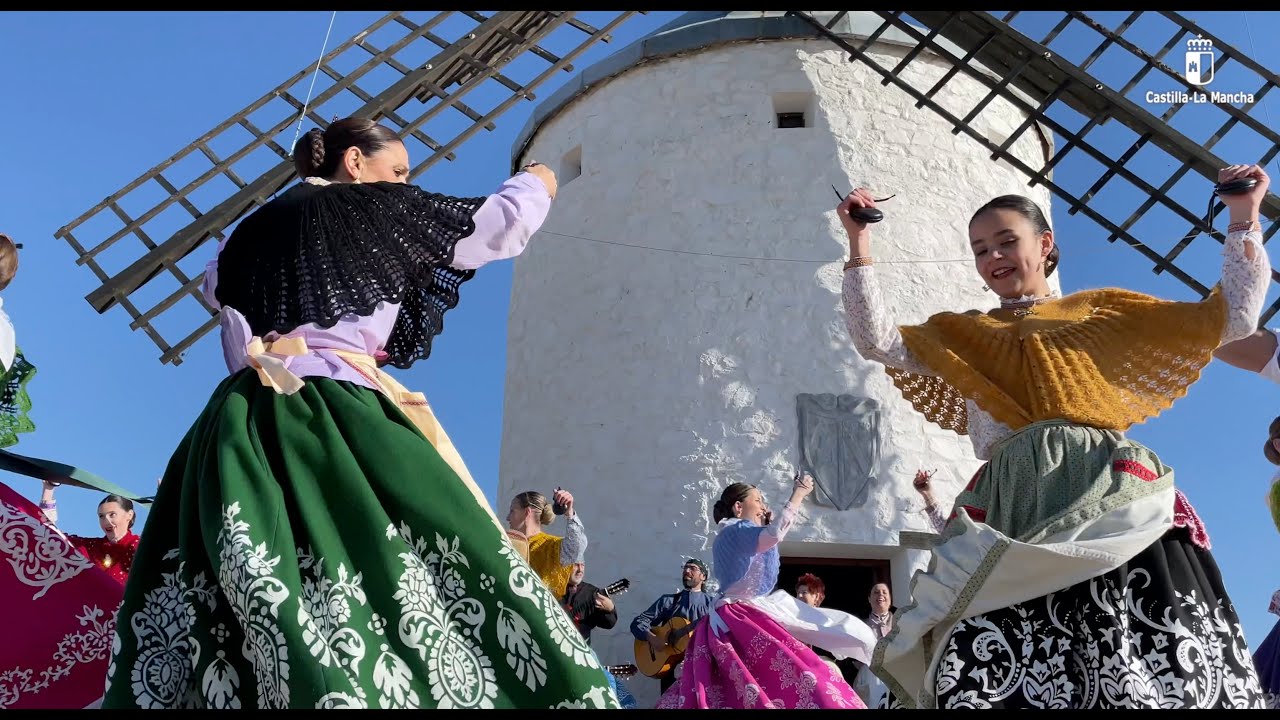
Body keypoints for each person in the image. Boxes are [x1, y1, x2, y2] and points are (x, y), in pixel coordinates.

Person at [101, 118, 619, 709]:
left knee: (235, 583)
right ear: (354, 162)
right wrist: (539, 180)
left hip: (237, 425)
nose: (403, 183)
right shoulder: (375, 210)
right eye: (397, 171)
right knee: (431, 555)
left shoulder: (239, 239)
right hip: (335, 411)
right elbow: (492, 227)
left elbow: (214, 291)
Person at [837, 164, 1271, 708]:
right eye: (980, 249)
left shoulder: (1100, 313)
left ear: (1044, 244)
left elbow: (1232, 317)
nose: (992, 257)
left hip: (1102, 486)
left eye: (1005, 242)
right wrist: (860, 242)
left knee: (1127, 631)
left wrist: (1243, 215)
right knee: (988, 648)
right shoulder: (964, 335)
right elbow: (875, 339)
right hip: (1010, 498)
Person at [656, 476, 873, 709]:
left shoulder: (739, 534)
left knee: (770, 677)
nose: (763, 506)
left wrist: (768, 526)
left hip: (743, 614)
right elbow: (773, 536)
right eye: (758, 500)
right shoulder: (733, 529)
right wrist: (798, 494)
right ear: (738, 507)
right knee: (792, 673)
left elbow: (768, 543)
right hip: (737, 619)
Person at [630, 558, 716, 693]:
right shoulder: (669, 601)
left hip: (701, 670)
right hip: (670, 671)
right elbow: (637, 623)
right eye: (685, 568)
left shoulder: (713, 605)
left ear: (703, 577)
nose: (687, 571)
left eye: (692, 568)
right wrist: (652, 638)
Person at [38, 481, 139, 584]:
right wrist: (48, 489)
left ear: (129, 515)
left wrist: (157, 508)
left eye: (112, 515)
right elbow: (49, 534)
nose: (106, 521)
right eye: (101, 516)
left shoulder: (141, 546)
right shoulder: (90, 547)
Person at [508, 488, 587, 597]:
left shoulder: (550, 546)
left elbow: (577, 546)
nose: (508, 518)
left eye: (512, 511)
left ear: (527, 512)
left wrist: (569, 512)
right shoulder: (507, 544)